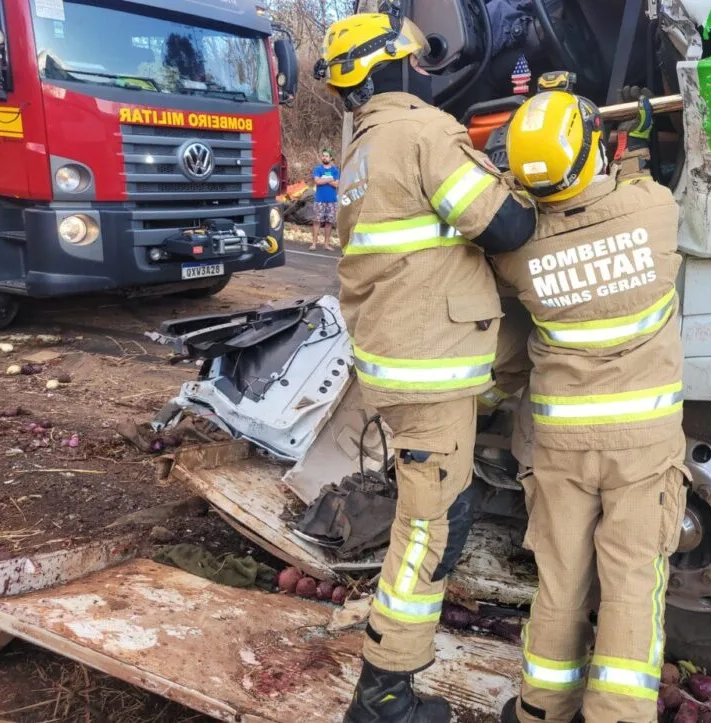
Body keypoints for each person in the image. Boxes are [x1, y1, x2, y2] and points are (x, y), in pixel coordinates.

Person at [317, 9, 538, 723]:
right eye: (418, 59)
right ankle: (382, 696)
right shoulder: (423, 132)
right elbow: (503, 225)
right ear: (401, 65)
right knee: (429, 527)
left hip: (401, 362)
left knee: (441, 502)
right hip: (431, 368)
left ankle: (386, 687)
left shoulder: (363, 148)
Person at [491, 91, 688, 723]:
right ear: (595, 151)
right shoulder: (654, 211)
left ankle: (541, 709)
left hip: (560, 450)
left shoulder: (516, 253)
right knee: (632, 587)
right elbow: (642, 173)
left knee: (560, 584)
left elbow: (507, 351)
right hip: (642, 447)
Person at [311, 148, 340, 250]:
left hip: (332, 201)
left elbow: (336, 184)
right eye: (323, 155)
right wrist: (330, 179)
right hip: (319, 200)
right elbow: (317, 182)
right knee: (317, 222)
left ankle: (326, 244)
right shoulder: (318, 169)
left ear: (331, 158)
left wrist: (324, 179)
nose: (324, 157)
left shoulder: (335, 170)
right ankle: (314, 243)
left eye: (327, 156)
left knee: (329, 223)